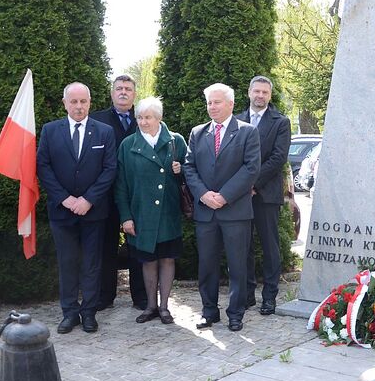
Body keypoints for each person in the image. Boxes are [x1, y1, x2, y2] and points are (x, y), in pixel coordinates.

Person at [37, 82, 117, 334]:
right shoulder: (50, 131)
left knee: (92, 263)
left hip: (93, 212)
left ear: (90, 103)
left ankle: (89, 313)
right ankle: (69, 313)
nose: (79, 106)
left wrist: (88, 199)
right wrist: (65, 199)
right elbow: (43, 167)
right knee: (67, 263)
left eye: (83, 102)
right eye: (74, 102)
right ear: (65, 103)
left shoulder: (104, 132)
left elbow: (110, 169)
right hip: (62, 212)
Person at [184, 83, 260, 332]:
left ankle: (236, 313)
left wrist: (224, 196)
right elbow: (189, 167)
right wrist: (204, 194)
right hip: (206, 212)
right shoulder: (198, 133)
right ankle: (209, 312)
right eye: (209, 103)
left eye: (217, 102)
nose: (212, 107)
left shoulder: (247, 132)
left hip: (235, 211)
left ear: (230, 104)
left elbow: (251, 168)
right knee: (206, 265)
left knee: (237, 266)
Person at [114, 97, 187, 325]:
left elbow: (193, 175)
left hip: (168, 214)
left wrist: (180, 170)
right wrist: (126, 217)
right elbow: (120, 184)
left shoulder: (176, 141)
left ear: (159, 118)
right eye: (140, 117)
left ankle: (165, 307)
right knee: (148, 261)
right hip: (141, 215)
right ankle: (150, 306)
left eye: (148, 117)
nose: (143, 122)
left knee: (166, 259)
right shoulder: (128, 145)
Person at [235, 76, 290, 315]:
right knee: (243, 246)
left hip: (266, 194)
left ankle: (269, 297)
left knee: (269, 247)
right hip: (240, 195)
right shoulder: (235, 120)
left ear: (270, 95)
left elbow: (278, 158)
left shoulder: (281, 122)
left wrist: (253, 183)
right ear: (249, 92)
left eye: (265, 92)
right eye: (256, 91)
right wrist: (241, 186)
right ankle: (247, 295)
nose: (260, 96)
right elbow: (231, 158)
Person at [92, 74, 147, 312]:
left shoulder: (145, 119)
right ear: (112, 93)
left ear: (134, 94)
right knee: (106, 246)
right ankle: (105, 296)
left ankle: (141, 296)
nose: (123, 92)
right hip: (105, 194)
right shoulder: (97, 120)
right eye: (119, 89)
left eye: (128, 89)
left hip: (137, 195)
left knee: (138, 246)